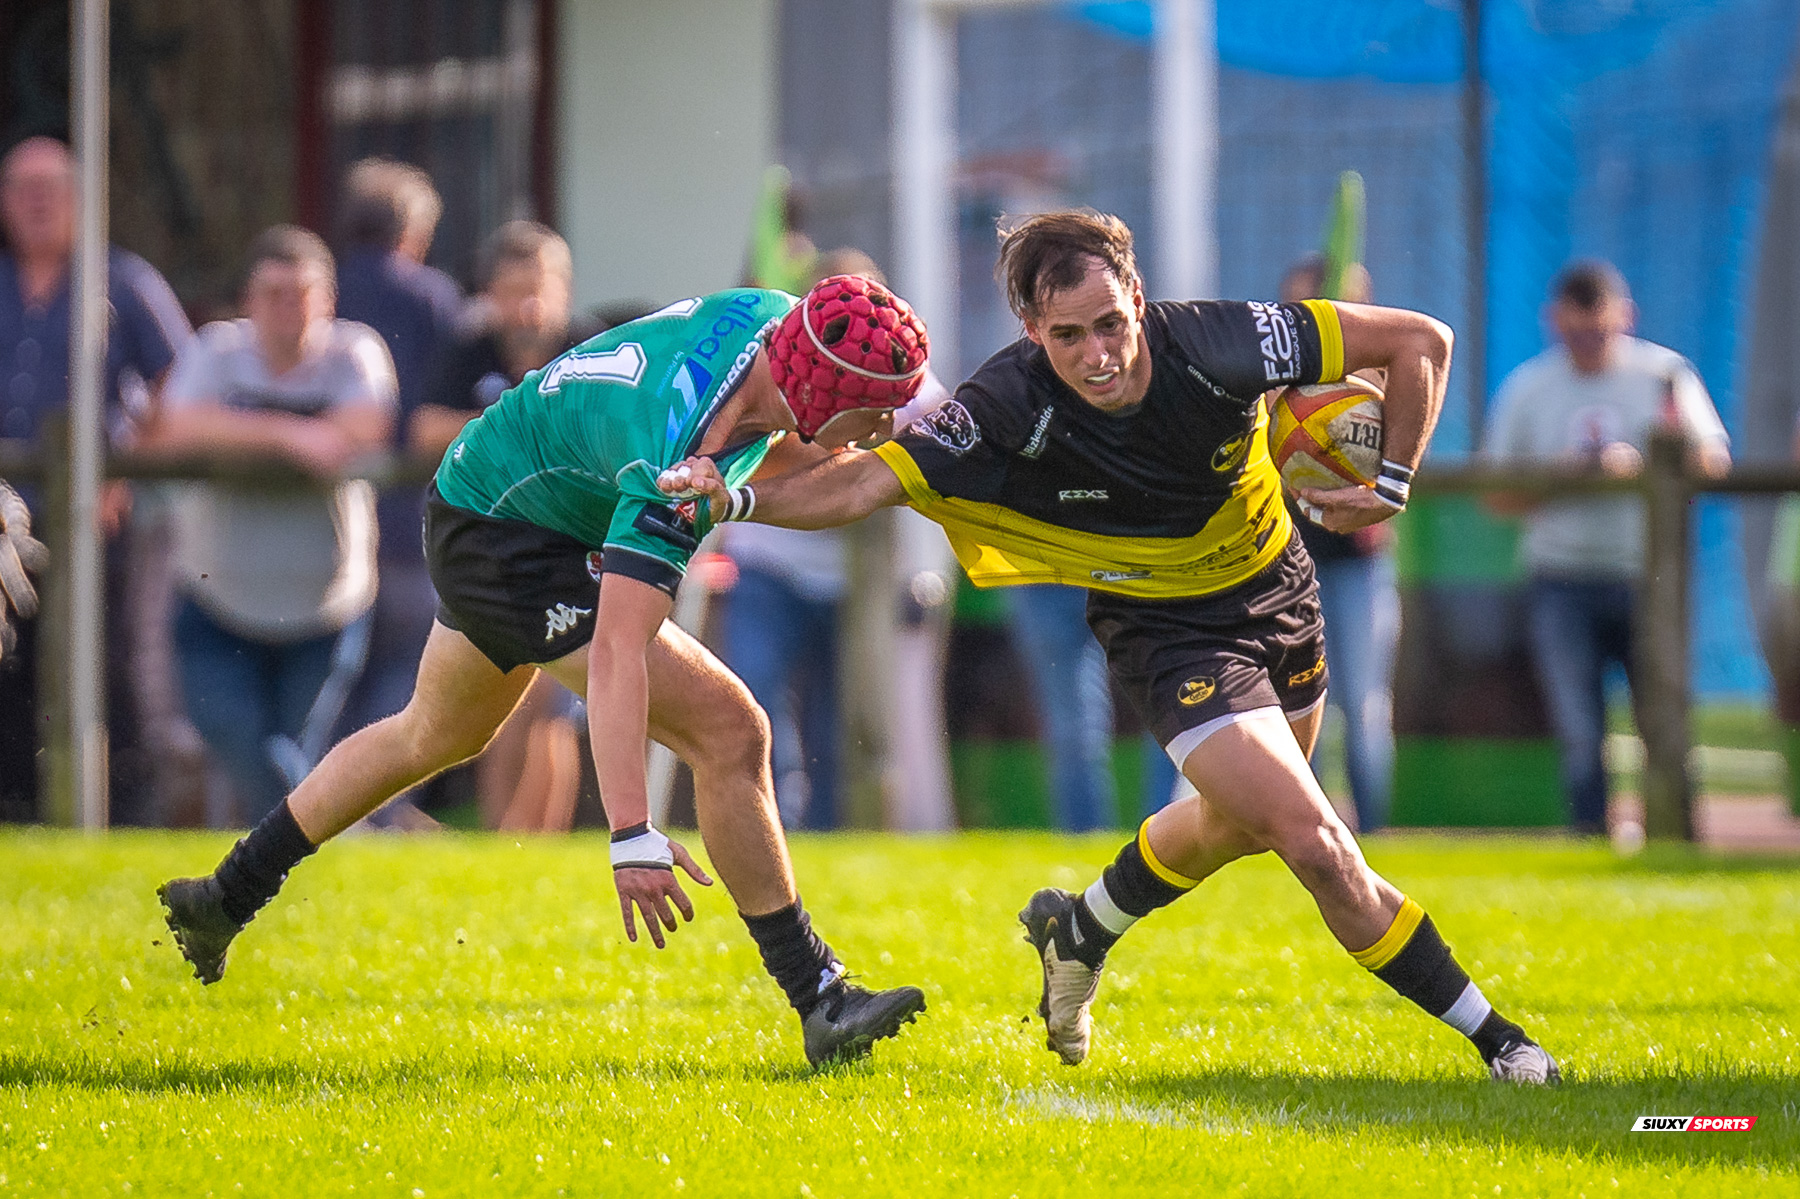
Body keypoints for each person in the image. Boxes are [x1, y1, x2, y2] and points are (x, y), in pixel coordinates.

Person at [667, 210, 1559, 1083]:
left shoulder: (1221, 342)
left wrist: (1392, 480)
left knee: (1237, 825)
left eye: (1111, 324)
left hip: (1280, 595)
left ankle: (1082, 930)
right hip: (1166, 636)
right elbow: (860, 484)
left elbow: (1421, 342)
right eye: (1067, 336)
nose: (1099, 354)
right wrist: (732, 499)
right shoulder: (1002, 404)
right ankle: (1503, 1043)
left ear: (1138, 295)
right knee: (1316, 840)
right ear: (1030, 331)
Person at [156, 275, 929, 1068]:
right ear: (818, 394)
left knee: (431, 732)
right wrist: (630, 833)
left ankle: (225, 895)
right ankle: (820, 997)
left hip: (493, 491)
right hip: (511, 538)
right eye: (873, 411)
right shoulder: (673, 460)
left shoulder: (782, 320)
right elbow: (618, 651)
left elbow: (798, 460)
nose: (880, 428)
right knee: (731, 731)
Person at [148, 225, 398, 825]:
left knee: (292, 751)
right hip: (215, 595)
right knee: (238, 737)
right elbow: (177, 426)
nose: (288, 307)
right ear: (248, 301)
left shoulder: (355, 352)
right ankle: (333, 842)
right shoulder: (214, 350)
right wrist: (294, 436)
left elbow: (370, 424)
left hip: (326, 603)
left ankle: (279, 865)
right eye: (273, 293)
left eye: (302, 293)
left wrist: (238, 431)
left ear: (329, 300)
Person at [1483, 260, 1730, 835]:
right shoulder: (1529, 388)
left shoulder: (1664, 376)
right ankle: (1590, 839)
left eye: (1599, 331)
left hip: (1648, 580)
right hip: (1559, 581)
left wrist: (1647, 468)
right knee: (1578, 728)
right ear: (1552, 322)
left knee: (1663, 718)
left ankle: (1676, 835)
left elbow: (1714, 463)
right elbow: (1495, 495)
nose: (1588, 344)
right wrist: (1563, 478)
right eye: (1574, 333)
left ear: (1626, 317)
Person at [0, 135, 192, 823]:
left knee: (111, 665)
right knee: (10, 665)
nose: (38, 201)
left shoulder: (123, 280)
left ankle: (125, 813)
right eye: (23, 187)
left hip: (93, 517)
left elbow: (181, 378)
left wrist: (118, 470)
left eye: (52, 186)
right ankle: (19, 810)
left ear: (82, 199)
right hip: (5, 519)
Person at [411, 219, 603, 832]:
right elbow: (424, 430)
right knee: (512, 702)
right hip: (492, 551)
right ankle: (510, 846)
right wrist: (517, 423)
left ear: (565, 289)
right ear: (489, 294)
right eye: (514, 288)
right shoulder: (466, 353)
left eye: (541, 287)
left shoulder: (591, 346)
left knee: (551, 709)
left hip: (578, 544)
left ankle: (527, 849)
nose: (529, 304)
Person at [331, 159, 466, 817]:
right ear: (411, 230)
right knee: (401, 674)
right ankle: (375, 809)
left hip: (330, 523)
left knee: (335, 675)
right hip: (414, 519)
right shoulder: (434, 298)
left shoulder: (323, 288)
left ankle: (319, 800)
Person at [1279, 255, 1398, 833]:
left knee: (1362, 702)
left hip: (1358, 564)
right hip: (1285, 564)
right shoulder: (1271, 378)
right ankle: (1311, 830)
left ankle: (1373, 834)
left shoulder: (1379, 373)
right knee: (1298, 707)